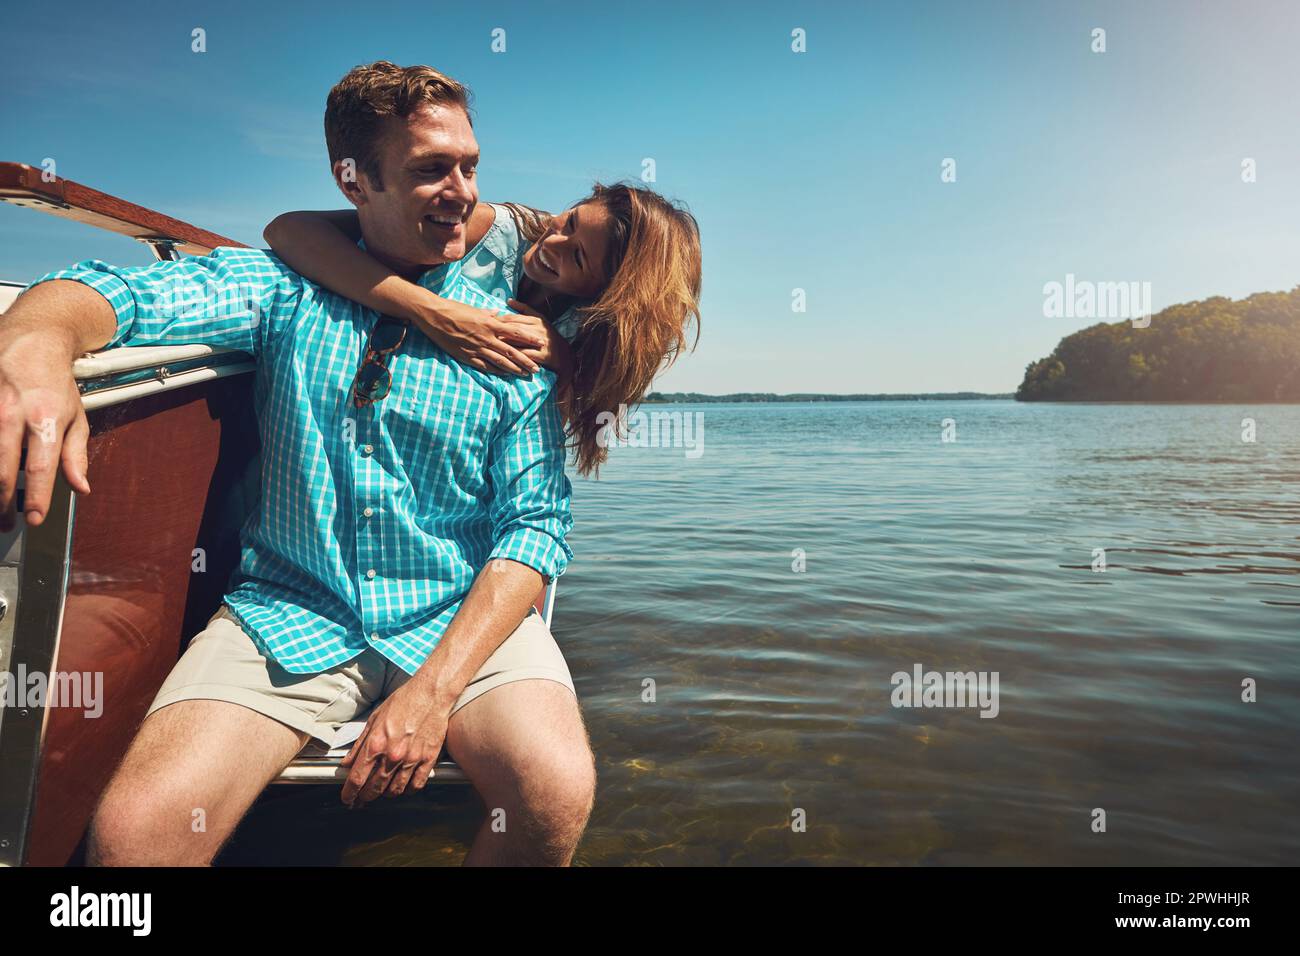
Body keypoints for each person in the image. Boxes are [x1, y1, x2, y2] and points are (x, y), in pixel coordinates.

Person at [0, 62, 595, 866]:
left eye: (469, 165)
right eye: (429, 170)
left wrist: (432, 691)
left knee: (553, 791)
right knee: (133, 841)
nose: (461, 192)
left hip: (460, 614)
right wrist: (36, 341)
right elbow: (109, 292)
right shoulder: (281, 288)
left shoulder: (508, 335)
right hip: (290, 609)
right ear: (353, 182)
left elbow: (534, 527)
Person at [263, 179, 703, 477]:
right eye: (569, 222)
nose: (551, 245)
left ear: (605, 292)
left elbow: (570, 423)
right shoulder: (491, 230)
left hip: (463, 460)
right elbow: (287, 230)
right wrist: (433, 312)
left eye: (578, 258)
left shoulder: (586, 329)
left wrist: (564, 360)